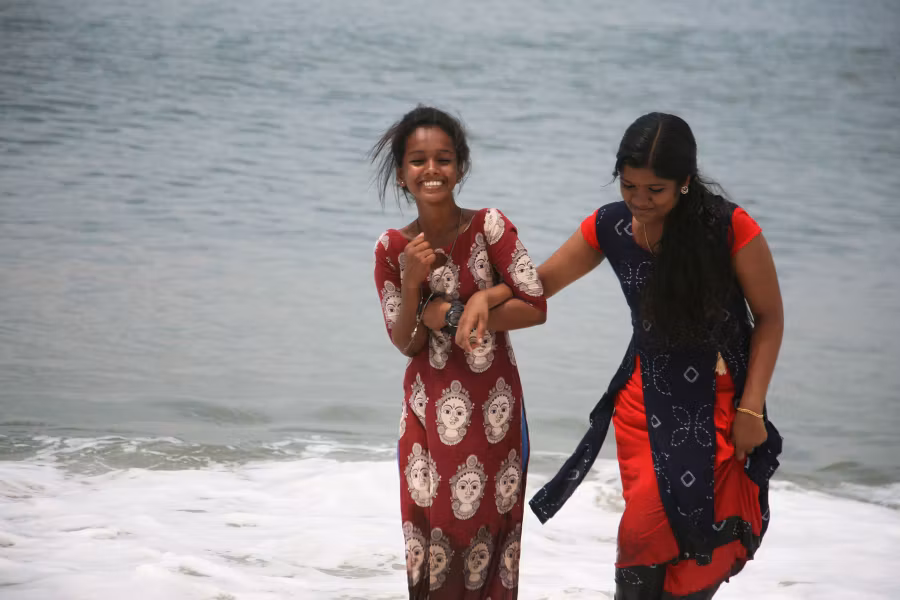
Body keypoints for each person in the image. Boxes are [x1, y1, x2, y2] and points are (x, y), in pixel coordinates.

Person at [460, 113, 784, 599]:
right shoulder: (609, 225)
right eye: (629, 185)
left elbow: (770, 319)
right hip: (644, 405)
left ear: (686, 182)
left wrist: (751, 409)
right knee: (642, 534)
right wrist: (481, 301)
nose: (639, 200)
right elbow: (540, 285)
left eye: (655, 190)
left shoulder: (730, 227)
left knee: (701, 554)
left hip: (720, 407)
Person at [371, 105, 547, 599]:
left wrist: (472, 305)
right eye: (418, 161)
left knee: (486, 535)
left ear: (461, 167)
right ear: (402, 175)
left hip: (493, 411)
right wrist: (411, 283)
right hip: (427, 413)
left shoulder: (490, 227)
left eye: (443, 159)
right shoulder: (392, 249)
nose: (431, 170)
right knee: (427, 535)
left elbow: (534, 307)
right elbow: (405, 341)